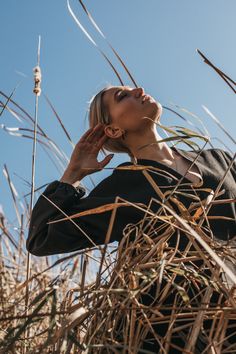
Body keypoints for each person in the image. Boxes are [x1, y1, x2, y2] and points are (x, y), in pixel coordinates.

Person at [27, 86, 236, 352]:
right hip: (170, 335)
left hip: (229, 322)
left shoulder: (219, 159)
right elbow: (42, 237)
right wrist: (73, 174)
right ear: (113, 130)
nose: (138, 89)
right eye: (122, 96)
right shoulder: (125, 186)